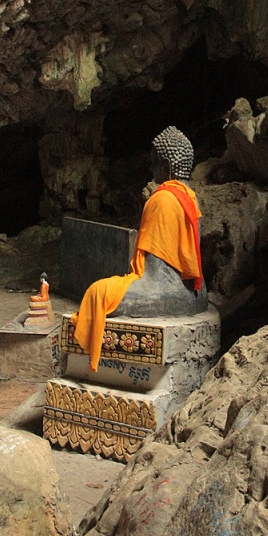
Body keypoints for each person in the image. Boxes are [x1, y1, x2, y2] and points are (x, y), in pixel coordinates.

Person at [71, 127, 205, 372]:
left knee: (97, 291)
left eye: (154, 163)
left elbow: (153, 276)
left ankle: (88, 358)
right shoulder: (190, 196)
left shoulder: (162, 199)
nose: (151, 170)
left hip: (167, 292)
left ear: (165, 165)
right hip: (196, 292)